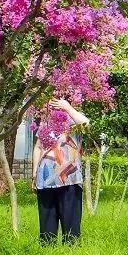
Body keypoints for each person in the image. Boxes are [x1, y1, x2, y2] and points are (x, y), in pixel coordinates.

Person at [32, 98, 90, 245]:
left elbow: (86, 124)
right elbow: (38, 147)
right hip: (45, 180)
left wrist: (68, 108)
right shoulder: (46, 123)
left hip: (69, 179)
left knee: (71, 229)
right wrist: (34, 174)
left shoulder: (74, 121)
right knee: (47, 230)